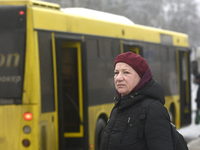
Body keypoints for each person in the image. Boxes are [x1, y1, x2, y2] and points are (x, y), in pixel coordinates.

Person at [100, 52, 173, 150]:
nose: (119, 78)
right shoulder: (118, 108)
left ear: (141, 78)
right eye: (116, 73)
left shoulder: (153, 109)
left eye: (126, 72)